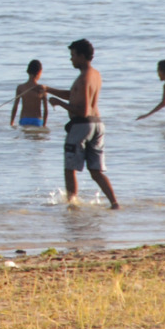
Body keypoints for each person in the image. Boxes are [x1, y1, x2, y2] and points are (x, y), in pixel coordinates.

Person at [42, 38, 120, 208]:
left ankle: (72, 204)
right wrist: (48, 90)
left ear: (82, 56)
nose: (71, 59)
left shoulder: (84, 78)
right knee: (96, 171)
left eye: (73, 55)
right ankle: (114, 203)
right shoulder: (95, 75)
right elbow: (73, 94)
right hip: (97, 125)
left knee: (70, 169)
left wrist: (59, 103)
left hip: (81, 126)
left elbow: (82, 110)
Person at [11, 59, 48, 127]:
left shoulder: (20, 88)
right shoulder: (42, 89)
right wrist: (44, 124)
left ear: (28, 71)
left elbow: (15, 107)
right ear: (39, 72)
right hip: (37, 120)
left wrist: (12, 122)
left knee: (25, 136)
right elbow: (45, 110)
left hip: (24, 119)